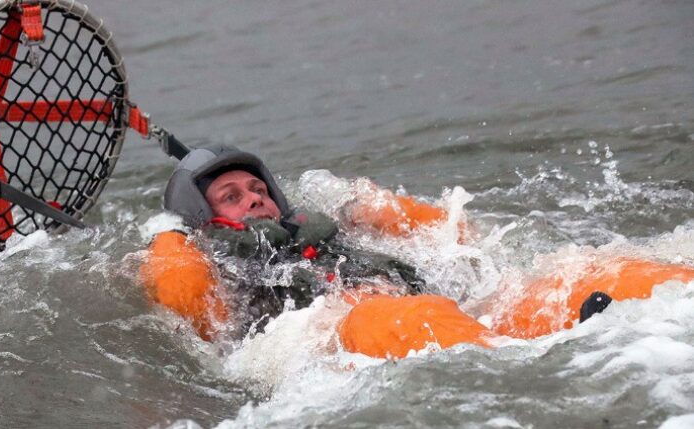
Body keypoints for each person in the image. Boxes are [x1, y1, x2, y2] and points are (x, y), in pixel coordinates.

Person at [139, 145, 694, 359]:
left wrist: (363, 203)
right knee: (419, 317)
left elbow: (456, 232)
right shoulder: (204, 256)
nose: (254, 200)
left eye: (258, 190)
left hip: (438, 307)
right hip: (339, 331)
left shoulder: (320, 226)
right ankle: (526, 360)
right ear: (200, 216)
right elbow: (188, 307)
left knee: (584, 274)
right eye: (231, 197)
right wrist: (171, 235)